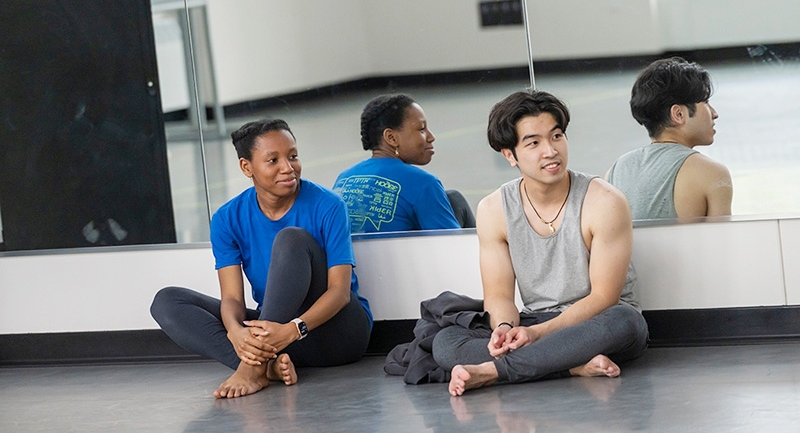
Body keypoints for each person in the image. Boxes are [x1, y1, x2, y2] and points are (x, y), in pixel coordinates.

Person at [432, 90, 648, 396]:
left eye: (557, 136)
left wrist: (536, 335)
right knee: (445, 342)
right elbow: (497, 295)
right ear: (509, 155)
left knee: (626, 322)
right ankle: (571, 366)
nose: (551, 151)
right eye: (533, 143)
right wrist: (505, 329)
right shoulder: (494, 209)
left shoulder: (605, 201)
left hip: (595, 322)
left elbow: (604, 297)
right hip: (537, 320)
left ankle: (493, 371)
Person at [150, 119, 372, 399]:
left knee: (292, 239)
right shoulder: (227, 218)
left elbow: (339, 293)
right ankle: (268, 368)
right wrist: (235, 332)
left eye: (293, 156)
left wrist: (293, 330)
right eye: (273, 160)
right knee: (168, 301)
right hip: (276, 334)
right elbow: (232, 299)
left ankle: (252, 369)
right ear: (247, 167)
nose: (288, 168)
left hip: (336, 332)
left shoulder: (328, 205)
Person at [606, 57, 733, 220]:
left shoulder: (614, 172)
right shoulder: (712, 173)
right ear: (678, 114)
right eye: (706, 103)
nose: (715, 113)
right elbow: (723, 242)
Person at [333, 94, 475, 233]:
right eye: (421, 129)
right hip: (403, 256)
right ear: (391, 137)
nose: (431, 137)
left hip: (351, 257)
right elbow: (451, 246)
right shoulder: (423, 183)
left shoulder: (343, 178)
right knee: (454, 199)